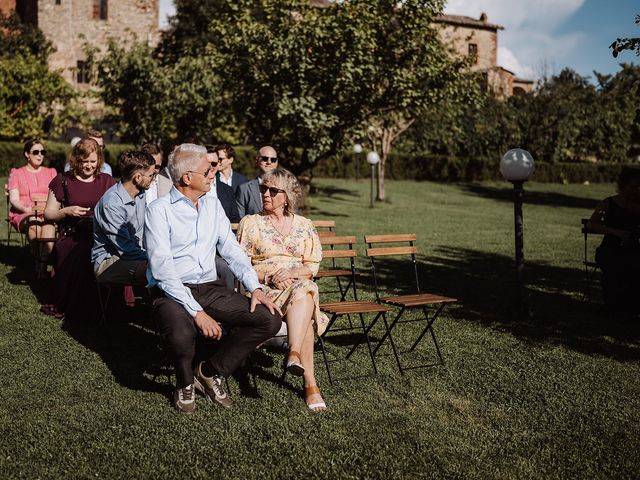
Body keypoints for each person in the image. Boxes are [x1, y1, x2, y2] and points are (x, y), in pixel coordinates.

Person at [144, 143, 282, 414]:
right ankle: (184, 383)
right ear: (187, 177)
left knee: (269, 319)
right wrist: (197, 313)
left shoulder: (212, 203)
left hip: (209, 285)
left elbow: (231, 248)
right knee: (183, 333)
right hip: (170, 289)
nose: (213, 174)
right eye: (208, 170)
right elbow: (162, 271)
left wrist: (254, 287)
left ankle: (210, 371)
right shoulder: (159, 210)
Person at [236, 167, 328, 412]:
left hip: (297, 285)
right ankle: (309, 382)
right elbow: (241, 265)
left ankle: (294, 353)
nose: (265, 194)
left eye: (273, 190)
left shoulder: (305, 225)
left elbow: (311, 266)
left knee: (305, 288)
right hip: (264, 291)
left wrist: (291, 273)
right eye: (263, 188)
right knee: (306, 305)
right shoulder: (251, 223)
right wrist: (268, 275)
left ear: (286, 196)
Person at [43, 138, 116, 320]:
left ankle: (114, 306)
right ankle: (80, 307)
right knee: (82, 251)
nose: (89, 166)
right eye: (85, 162)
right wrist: (66, 211)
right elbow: (49, 214)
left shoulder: (107, 181)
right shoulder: (63, 180)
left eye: (93, 162)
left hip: (100, 233)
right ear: (77, 159)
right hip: (72, 234)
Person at [92, 150, 157, 286]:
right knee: (158, 270)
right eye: (151, 175)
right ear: (137, 177)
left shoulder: (140, 194)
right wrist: (153, 257)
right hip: (110, 261)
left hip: (136, 254)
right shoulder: (112, 204)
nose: (154, 178)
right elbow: (125, 248)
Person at [587, 167, 640, 318]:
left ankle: (631, 308)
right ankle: (613, 306)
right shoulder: (608, 203)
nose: (636, 191)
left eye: (639, 187)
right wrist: (615, 232)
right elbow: (591, 225)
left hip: (632, 249)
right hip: (610, 248)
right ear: (623, 186)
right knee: (614, 267)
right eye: (633, 187)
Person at [7, 139, 58, 276]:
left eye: (43, 152)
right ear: (27, 154)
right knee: (34, 225)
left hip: (47, 211)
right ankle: (40, 262)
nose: (40, 155)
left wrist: (47, 211)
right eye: (36, 152)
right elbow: (14, 199)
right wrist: (27, 210)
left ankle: (41, 263)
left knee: (49, 226)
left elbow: (58, 196)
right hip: (25, 212)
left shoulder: (51, 172)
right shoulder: (17, 173)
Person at [235, 145, 279, 218]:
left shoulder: (285, 187)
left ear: (276, 162)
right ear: (257, 160)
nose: (269, 162)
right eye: (265, 159)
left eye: (273, 160)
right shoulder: (244, 189)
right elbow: (239, 219)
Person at [205, 145, 241, 223]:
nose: (210, 167)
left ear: (218, 163)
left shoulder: (227, 190)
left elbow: (234, 218)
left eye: (214, 164)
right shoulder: (193, 187)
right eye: (207, 163)